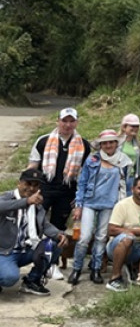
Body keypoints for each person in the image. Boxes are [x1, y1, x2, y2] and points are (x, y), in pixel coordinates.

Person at [27, 107, 91, 277]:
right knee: (36, 222)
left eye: (71, 121)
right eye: (64, 121)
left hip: (67, 191)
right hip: (44, 189)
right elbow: (32, 166)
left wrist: (80, 199)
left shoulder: (83, 145)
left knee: (58, 227)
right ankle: (31, 256)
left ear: (76, 122)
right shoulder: (43, 141)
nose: (68, 125)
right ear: (58, 121)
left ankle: (52, 262)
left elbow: (85, 174)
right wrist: (28, 189)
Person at [71, 129, 131, 285]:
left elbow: (126, 185)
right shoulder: (92, 160)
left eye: (111, 142)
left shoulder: (123, 161)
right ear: (101, 145)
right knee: (84, 237)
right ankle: (76, 268)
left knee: (101, 237)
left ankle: (96, 268)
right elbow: (82, 183)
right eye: (105, 143)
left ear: (116, 143)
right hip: (90, 201)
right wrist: (79, 205)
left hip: (111, 203)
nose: (109, 145)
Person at [0, 169, 69, 296]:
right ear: (19, 183)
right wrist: (26, 202)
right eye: (28, 183)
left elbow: (45, 225)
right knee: (9, 278)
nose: (31, 188)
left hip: (26, 249)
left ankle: (32, 281)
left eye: (36, 185)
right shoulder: (7, 197)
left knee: (54, 244)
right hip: (4, 252)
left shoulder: (37, 205)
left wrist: (59, 234)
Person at [118, 114, 140, 192]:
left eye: (137, 126)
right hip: (119, 177)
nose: (135, 129)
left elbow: (139, 164)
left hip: (132, 178)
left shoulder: (136, 144)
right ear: (124, 127)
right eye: (132, 126)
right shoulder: (117, 142)